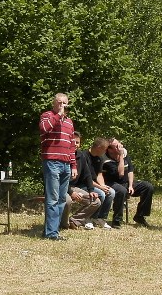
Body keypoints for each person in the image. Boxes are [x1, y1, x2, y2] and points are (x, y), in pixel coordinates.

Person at [39, 93, 77, 241]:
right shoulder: (47, 116)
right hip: (52, 161)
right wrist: (58, 116)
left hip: (66, 164)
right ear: (54, 104)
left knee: (62, 199)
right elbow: (44, 129)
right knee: (52, 199)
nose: (62, 105)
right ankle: (51, 233)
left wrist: (73, 165)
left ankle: (51, 229)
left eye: (64, 103)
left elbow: (72, 145)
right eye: (59, 102)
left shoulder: (69, 122)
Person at [102, 138, 154, 228]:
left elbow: (130, 170)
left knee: (148, 187)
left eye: (120, 144)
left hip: (126, 183)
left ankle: (140, 216)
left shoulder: (124, 153)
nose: (120, 147)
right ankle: (117, 220)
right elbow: (121, 173)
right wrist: (121, 156)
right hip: (111, 183)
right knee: (121, 191)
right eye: (117, 146)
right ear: (110, 149)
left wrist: (130, 185)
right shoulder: (105, 159)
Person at [61, 131, 100, 230]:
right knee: (68, 201)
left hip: (73, 187)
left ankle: (74, 220)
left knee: (96, 201)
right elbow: (60, 179)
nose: (75, 144)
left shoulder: (81, 156)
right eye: (73, 142)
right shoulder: (62, 155)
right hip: (61, 187)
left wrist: (91, 190)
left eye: (77, 142)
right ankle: (63, 225)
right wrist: (71, 192)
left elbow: (87, 175)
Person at [83, 137, 114, 229]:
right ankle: (88, 218)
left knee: (111, 192)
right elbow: (86, 178)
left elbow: (99, 174)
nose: (105, 152)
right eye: (104, 149)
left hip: (95, 184)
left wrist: (103, 186)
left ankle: (100, 218)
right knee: (101, 194)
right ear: (98, 147)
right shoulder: (84, 156)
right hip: (85, 184)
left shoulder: (100, 158)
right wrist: (100, 188)